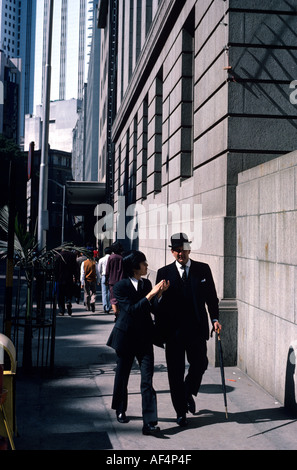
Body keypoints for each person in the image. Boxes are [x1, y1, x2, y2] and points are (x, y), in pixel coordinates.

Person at [155, 233, 221, 427]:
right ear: (172, 251)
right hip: (173, 332)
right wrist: (160, 295)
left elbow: (212, 297)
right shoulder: (163, 273)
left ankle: (187, 391)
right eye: (176, 250)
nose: (180, 253)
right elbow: (157, 307)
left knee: (200, 363)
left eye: (183, 249)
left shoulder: (202, 269)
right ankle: (180, 411)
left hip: (196, 329)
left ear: (189, 249)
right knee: (174, 372)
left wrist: (215, 319)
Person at [106, 250, 169, 436]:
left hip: (144, 338)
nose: (147, 266)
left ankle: (149, 423)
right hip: (125, 337)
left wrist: (160, 295)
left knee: (147, 380)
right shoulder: (120, 287)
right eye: (143, 263)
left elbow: (153, 309)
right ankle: (120, 408)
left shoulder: (147, 284)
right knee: (122, 376)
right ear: (134, 267)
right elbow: (132, 310)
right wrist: (151, 295)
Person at [54, 249, 78, 316]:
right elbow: (75, 268)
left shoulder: (58, 256)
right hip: (69, 278)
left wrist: (55, 278)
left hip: (60, 279)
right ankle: (68, 301)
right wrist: (76, 278)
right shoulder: (72, 256)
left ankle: (61, 311)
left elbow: (55, 269)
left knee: (60, 295)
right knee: (68, 293)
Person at [105, 241, 124, 321]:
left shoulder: (111, 257)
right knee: (120, 299)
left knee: (113, 299)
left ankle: (116, 314)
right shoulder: (122, 258)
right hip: (121, 281)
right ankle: (119, 314)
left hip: (112, 282)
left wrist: (106, 279)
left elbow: (107, 270)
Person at [98, 246, 112, 313]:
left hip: (104, 276)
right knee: (110, 292)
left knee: (104, 292)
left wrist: (100, 277)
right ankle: (109, 306)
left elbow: (99, 270)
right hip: (111, 276)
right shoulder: (112, 259)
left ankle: (105, 307)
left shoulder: (101, 259)